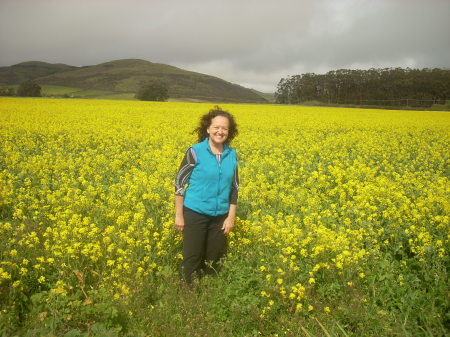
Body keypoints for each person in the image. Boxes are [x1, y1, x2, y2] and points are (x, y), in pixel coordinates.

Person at [174, 106, 239, 285]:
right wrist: (179, 214)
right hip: (195, 213)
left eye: (224, 128)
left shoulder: (231, 154)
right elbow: (179, 184)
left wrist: (231, 217)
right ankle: (187, 295)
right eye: (216, 127)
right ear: (208, 129)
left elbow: (234, 188)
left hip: (220, 217)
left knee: (213, 259)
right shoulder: (195, 151)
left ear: (229, 132)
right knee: (192, 258)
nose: (220, 131)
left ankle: (209, 293)